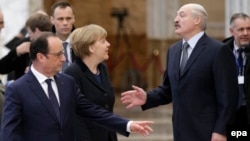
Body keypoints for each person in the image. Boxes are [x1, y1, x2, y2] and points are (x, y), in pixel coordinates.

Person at [1, 32, 154, 141]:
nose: (64, 58)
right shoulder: (17, 89)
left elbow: (92, 110)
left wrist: (127, 124)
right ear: (41, 57)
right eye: (58, 54)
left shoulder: (67, 82)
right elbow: (9, 133)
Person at [121, 3, 239, 141]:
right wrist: (147, 98)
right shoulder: (173, 50)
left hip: (209, 132)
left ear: (197, 20)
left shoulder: (218, 50)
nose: (176, 19)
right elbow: (168, 90)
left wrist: (221, 131)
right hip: (181, 131)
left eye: (182, 15)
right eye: (176, 15)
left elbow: (229, 97)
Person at [64, 24, 117, 141]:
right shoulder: (72, 73)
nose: (108, 44)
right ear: (91, 48)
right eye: (103, 41)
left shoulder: (102, 68)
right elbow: (75, 117)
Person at [0, 11, 52, 80]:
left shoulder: (54, 44)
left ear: (36, 30)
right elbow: (2, 68)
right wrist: (16, 51)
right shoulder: (23, 45)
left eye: (30, 33)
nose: (30, 37)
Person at [223, 13, 250, 124]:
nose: (246, 33)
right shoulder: (221, 52)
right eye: (241, 29)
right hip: (230, 113)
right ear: (231, 31)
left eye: (249, 29)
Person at [50, 1, 75, 72]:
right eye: (60, 19)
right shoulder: (44, 45)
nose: (65, 23)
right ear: (52, 20)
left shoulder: (82, 44)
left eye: (68, 18)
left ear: (73, 19)